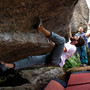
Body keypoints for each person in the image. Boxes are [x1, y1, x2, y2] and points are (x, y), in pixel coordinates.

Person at [0, 19, 85, 71]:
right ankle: (7, 66)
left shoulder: (73, 48)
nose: (75, 36)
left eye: (77, 37)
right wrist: (69, 27)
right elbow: (68, 38)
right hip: (50, 57)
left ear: (77, 42)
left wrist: (54, 43)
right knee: (31, 59)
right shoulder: (70, 43)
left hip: (56, 60)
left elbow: (62, 49)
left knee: (62, 40)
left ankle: (41, 28)